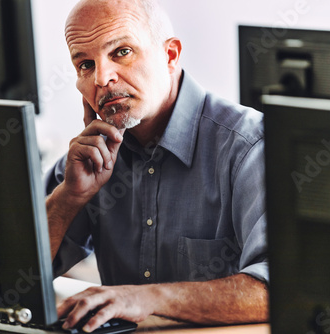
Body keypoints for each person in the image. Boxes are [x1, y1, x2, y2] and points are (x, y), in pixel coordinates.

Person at [44, 0, 268, 331]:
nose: (103, 78)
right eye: (86, 64)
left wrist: (143, 298)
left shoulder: (248, 147)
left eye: (121, 52)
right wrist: (70, 197)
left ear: (170, 56)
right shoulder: (88, 158)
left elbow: (279, 289)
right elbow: (12, 281)